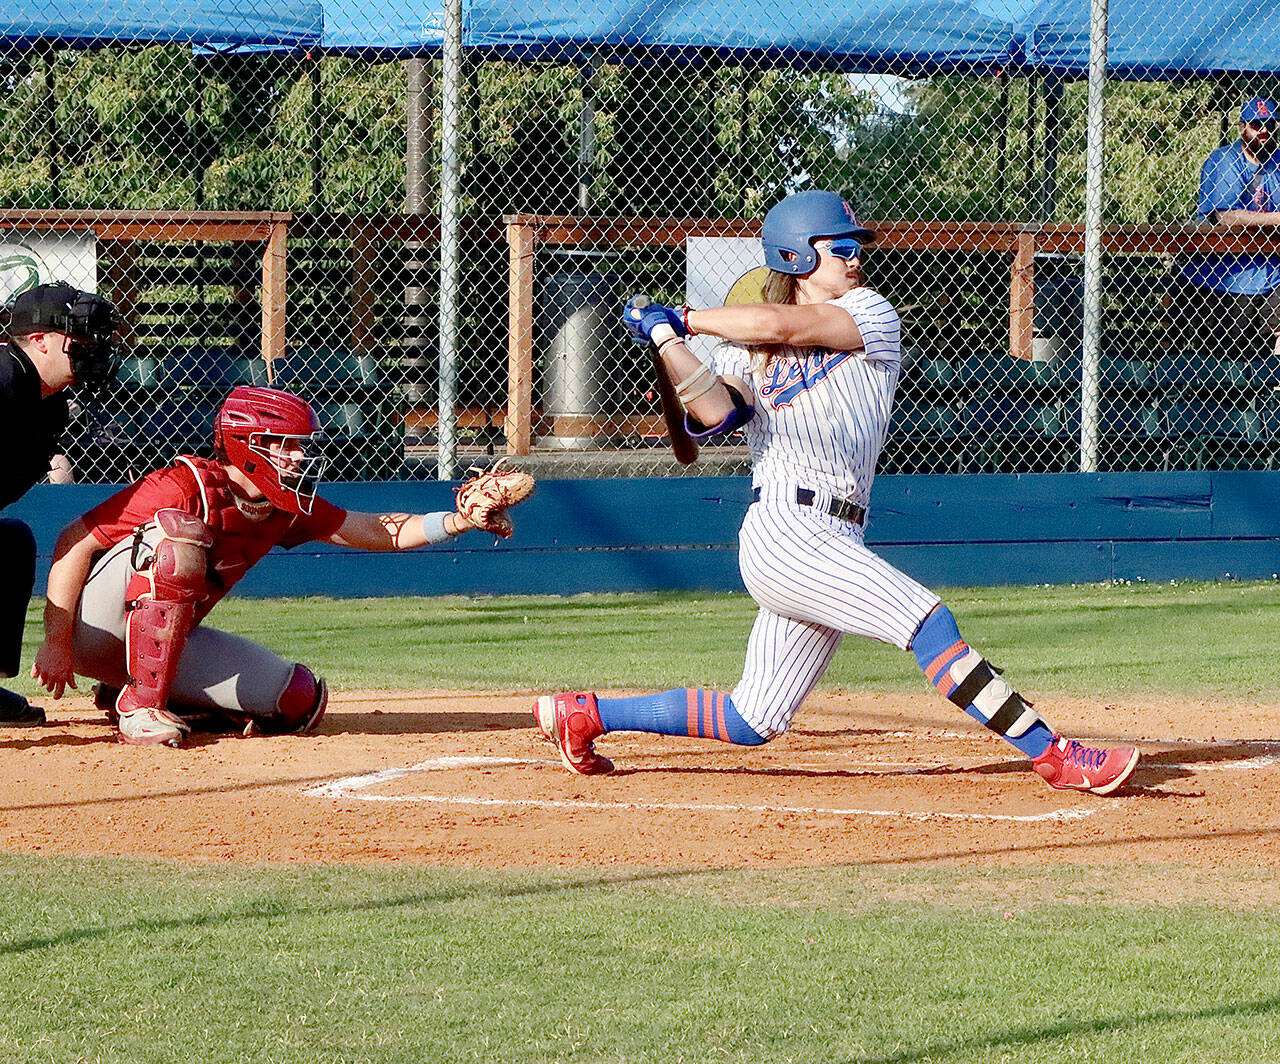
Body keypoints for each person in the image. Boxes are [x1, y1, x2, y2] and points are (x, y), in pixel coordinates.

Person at [531, 189, 1140, 795]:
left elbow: (782, 321)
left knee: (754, 719)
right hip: (787, 532)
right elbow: (714, 415)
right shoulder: (750, 356)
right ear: (796, 257)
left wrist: (682, 319)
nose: (856, 259)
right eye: (841, 249)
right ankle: (1056, 754)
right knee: (929, 624)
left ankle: (585, 715)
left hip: (837, 531)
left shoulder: (871, 313)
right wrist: (670, 345)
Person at [32, 384, 533, 747]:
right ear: (249, 448)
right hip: (89, 629)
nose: (297, 457)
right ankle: (140, 705)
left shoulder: (282, 505)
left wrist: (458, 521)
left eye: (298, 445)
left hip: (159, 637)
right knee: (176, 541)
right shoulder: (183, 485)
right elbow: (73, 542)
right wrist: (55, 643)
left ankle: (137, 687)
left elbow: (373, 529)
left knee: (297, 700)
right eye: (286, 445)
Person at [0, 281, 120, 727]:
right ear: (39, 340)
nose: (90, 348)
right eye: (79, 339)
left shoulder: (47, 405)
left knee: (10, 543)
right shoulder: (3, 377)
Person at [1178, 96, 1280, 358]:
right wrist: (1275, 219)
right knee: (1224, 358)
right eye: (1257, 124)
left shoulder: (1276, 162)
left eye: (1270, 123)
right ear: (1242, 126)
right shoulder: (1225, 159)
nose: (1265, 130)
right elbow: (1226, 217)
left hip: (1268, 273)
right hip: (1222, 279)